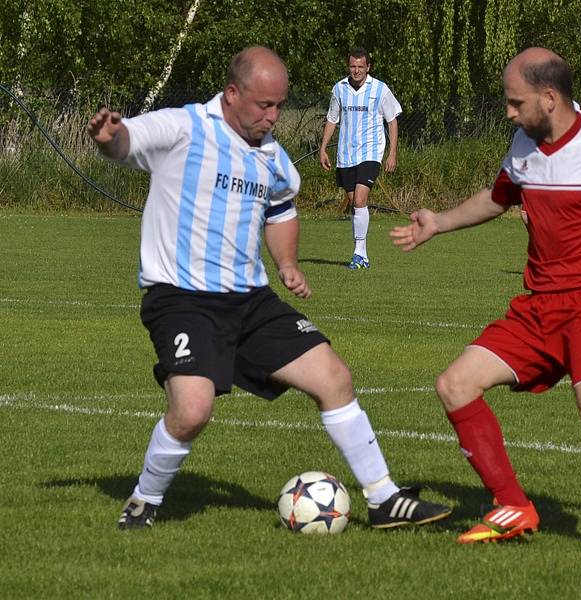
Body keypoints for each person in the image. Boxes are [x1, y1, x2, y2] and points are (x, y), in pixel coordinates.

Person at [86, 46, 450, 531]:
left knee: (334, 377)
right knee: (192, 410)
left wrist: (287, 263)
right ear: (232, 94)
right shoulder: (185, 127)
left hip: (251, 299)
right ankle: (144, 501)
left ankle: (383, 498)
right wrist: (110, 137)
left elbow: (281, 210)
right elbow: (127, 141)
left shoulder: (274, 158)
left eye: (280, 105)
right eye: (264, 106)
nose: (273, 117)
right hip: (182, 297)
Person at [390, 47, 581, 561]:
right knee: (455, 384)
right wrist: (438, 221)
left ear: (550, 97)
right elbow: (498, 197)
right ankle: (512, 507)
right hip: (538, 308)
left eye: (516, 103)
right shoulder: (523, 143)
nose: (510, 113)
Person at [319, 47, 402, 270]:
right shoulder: (340, 89)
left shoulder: (380, 89)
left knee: (359, 201)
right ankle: (362, 255)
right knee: (355, 206)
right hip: (346, 155)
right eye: (353, 66)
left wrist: (392, 153)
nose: (356, 70)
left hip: (371, 154)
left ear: (368, 68)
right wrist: (323, 148)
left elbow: (392, 120)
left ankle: (357, 253)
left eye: (360, 67)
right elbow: (332, 119)